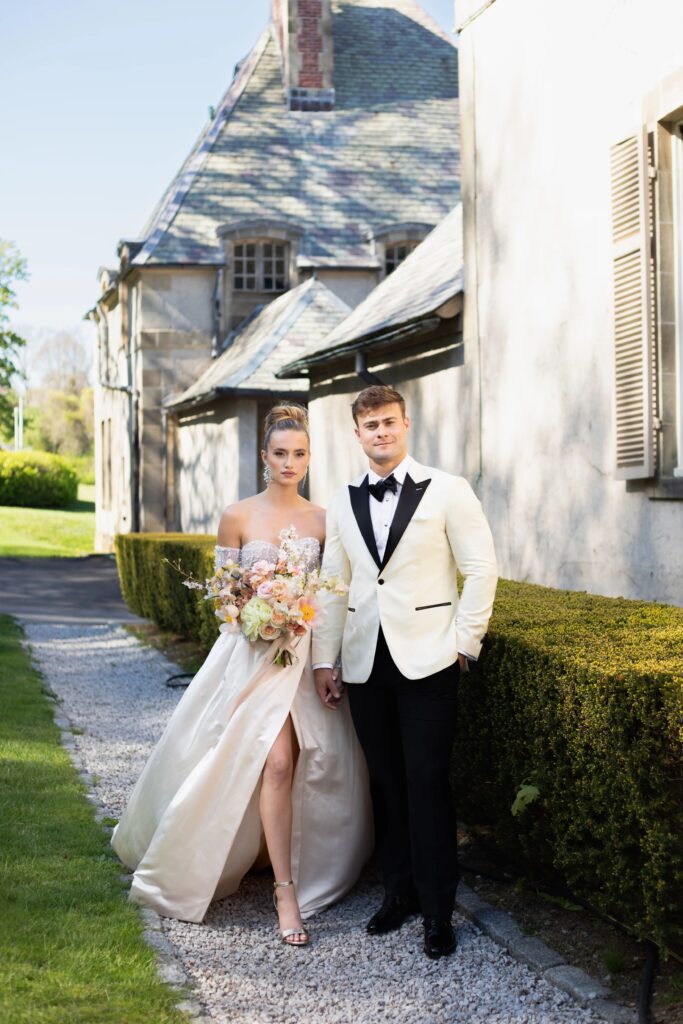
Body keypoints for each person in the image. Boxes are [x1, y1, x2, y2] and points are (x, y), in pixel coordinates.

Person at [112, 405, 372, 946]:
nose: (290, 462)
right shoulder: (236, 516)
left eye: (299, 454)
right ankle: (284, 890)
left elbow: (329, 597)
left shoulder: (324, 519)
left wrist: (301, 626)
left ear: (308, 458)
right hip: (251, 655)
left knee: (305, 765)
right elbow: (223, 601)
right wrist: (259, 611)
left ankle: (270, 857)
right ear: (264, 457)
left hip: (302, 659)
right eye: (280, 453)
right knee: (274, 761)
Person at [313, 385, 498, 960]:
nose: (382, 433)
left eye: (389, 422)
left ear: (406, 424)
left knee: (426, 782)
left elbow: (481, 569)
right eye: (371, 426)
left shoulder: (449, 490)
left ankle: (439, 911)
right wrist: (326, 657)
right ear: (358, 434)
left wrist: (463, 644)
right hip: (366, 662)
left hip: (430, 660)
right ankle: (399, 894)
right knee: (386, 785)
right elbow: (333, 584)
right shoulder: (343, 499)